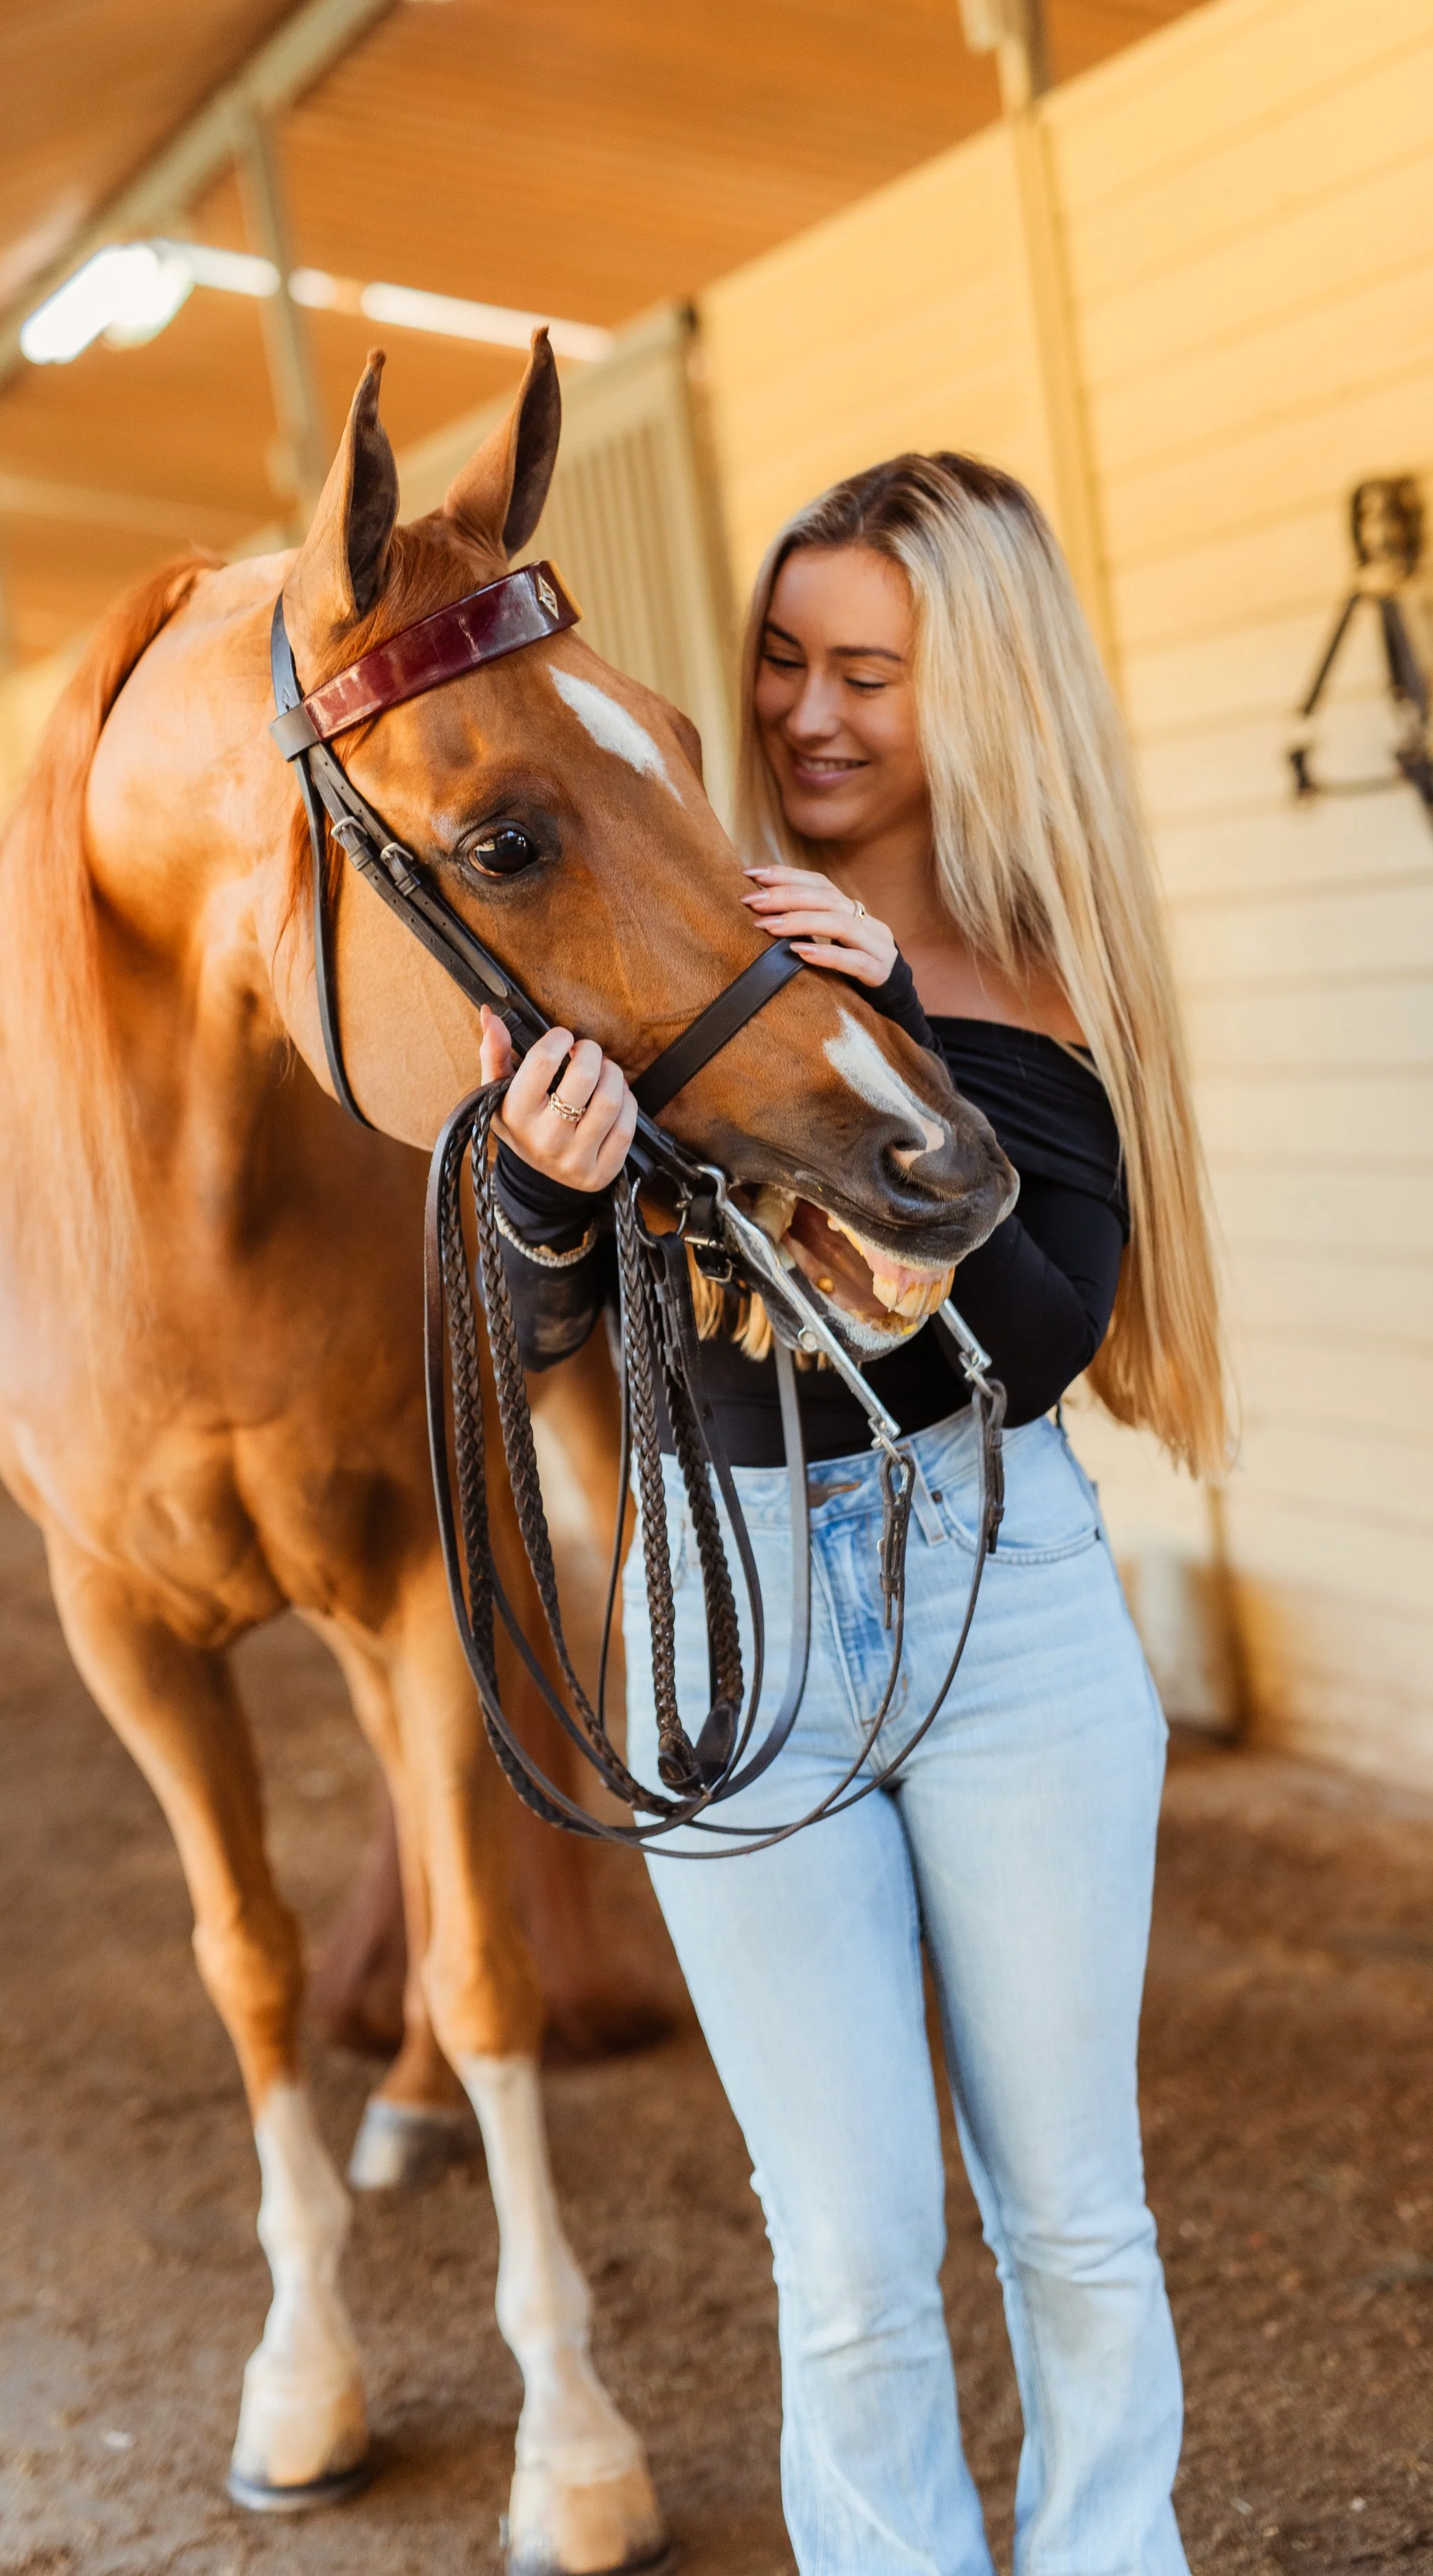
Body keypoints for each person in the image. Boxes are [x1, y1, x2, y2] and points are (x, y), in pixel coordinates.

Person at [477, 453, 1226, 2576]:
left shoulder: (1024, 962)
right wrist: (534, 1189)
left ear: (969, 690)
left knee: (1068, 2206)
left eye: (870, 674)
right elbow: (527, 1331)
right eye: (785, 658)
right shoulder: (641, 933)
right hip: (725, 1612)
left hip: (1001, 1599)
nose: (808, 713)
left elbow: (1048, 1318)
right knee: (847, 2241)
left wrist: (884, 1004)